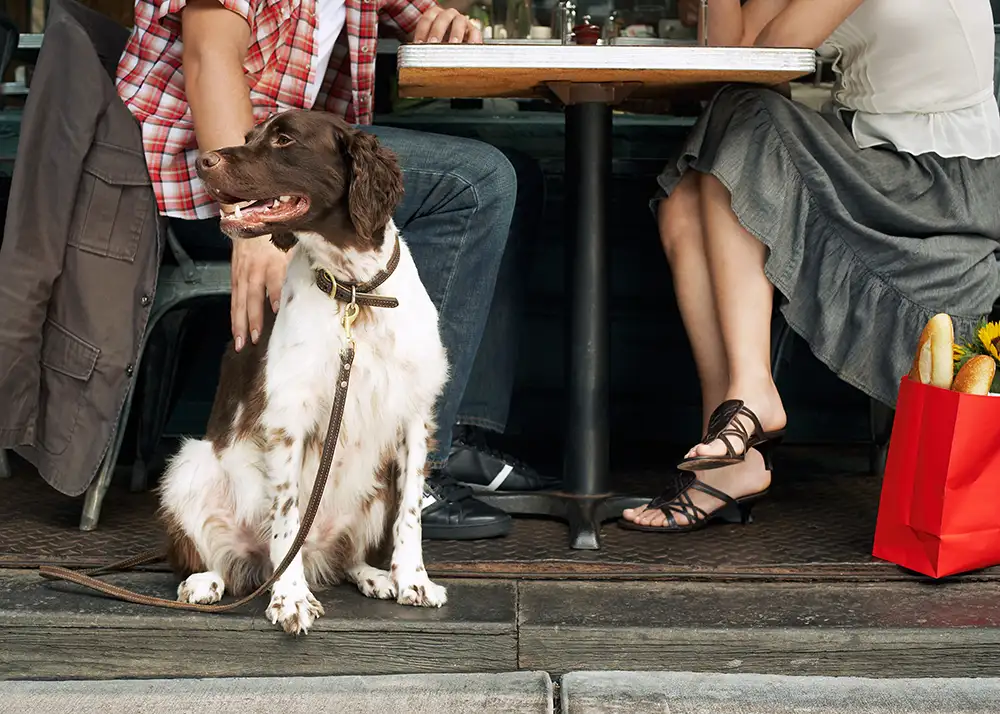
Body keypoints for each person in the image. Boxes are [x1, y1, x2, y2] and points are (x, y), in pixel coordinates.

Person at [116, 0, 546, 540]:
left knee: (517, 176)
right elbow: (207, 56)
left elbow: (419, 14)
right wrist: (249, 219)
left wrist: (449, 21)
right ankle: (415, 475)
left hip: (294, 169)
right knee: (479, 181)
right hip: (202, 172)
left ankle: (453, 436)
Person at [622, 0, 1000, 531]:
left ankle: (751, 395)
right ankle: (730, 445)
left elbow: (770, 58)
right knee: (686, 199)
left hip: (937, 179)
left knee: (746, 116)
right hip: (876, 154)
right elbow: (736, 55)